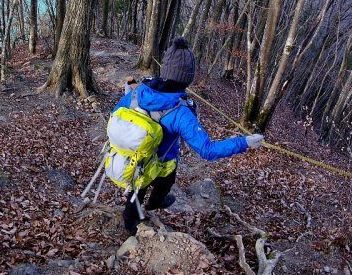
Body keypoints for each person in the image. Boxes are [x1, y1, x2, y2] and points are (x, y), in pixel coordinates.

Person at [113, 37, 264, 234]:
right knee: (166, 175)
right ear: (187, 78)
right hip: (160, 160)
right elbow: (207, 150)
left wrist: (130, 95)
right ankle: (149, 209)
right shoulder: (181, 111)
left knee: (138, 187)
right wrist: (244, 142)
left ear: (165, 69)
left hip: (131, 155)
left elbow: (115, 112)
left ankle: (134, 218)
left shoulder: (140, 91)